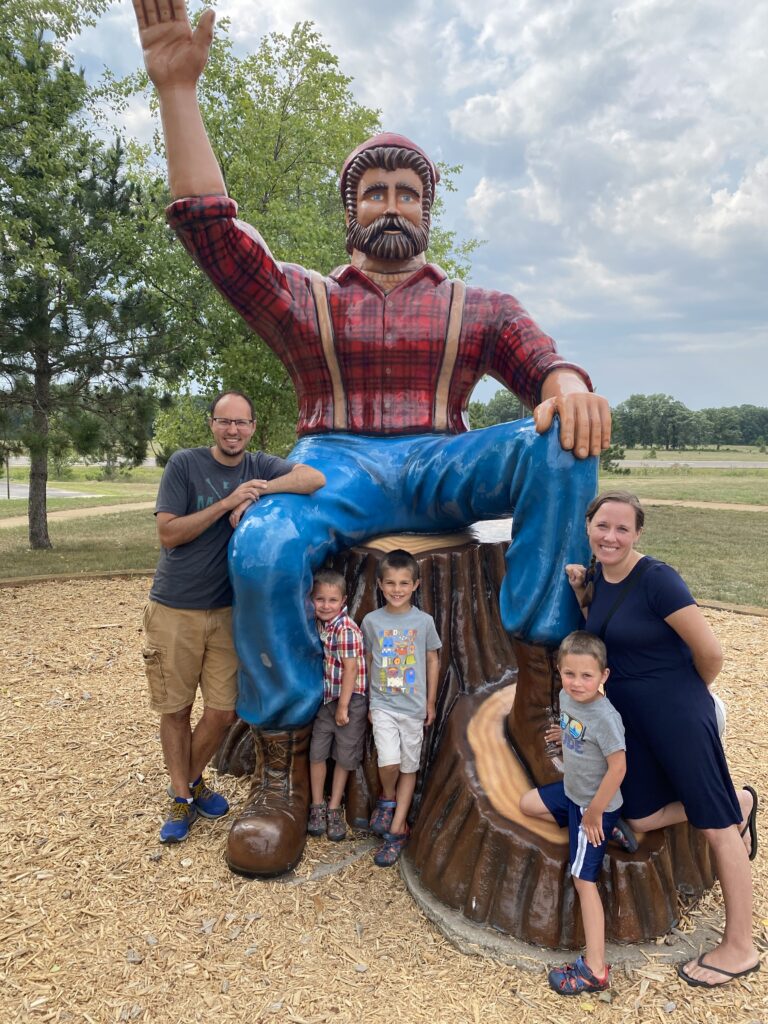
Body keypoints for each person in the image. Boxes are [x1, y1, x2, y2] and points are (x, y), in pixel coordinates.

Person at [132, 0, 613, 877]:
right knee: (267, 540)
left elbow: (546, 365)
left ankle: (539, 694)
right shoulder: (306, 298)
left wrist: (568, 387)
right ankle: (282, 769)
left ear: (427, 209)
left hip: (442, 460)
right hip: (334, 463)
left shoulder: (480, 306)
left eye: (408, 192)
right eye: (375, 191)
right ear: (350, 207)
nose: (392, 204)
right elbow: (217, 240)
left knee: (560, 443)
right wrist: (177, 91)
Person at [565, 491, 760, 989]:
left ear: (638, 534)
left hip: (675, 714)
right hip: (633, 723)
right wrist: (581, 594)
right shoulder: (600, 578)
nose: (611, 536)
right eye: (602, 526)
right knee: (643, 813)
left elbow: (709, 652)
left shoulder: (657, 579)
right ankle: (739, 801)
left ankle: (740, 945)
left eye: (622, 529)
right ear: (588, 526)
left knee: (716, 825)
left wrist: (683, 701)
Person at [142, 390, 325, 844]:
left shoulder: (258, 465)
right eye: (225, 422)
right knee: (177, 709)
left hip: (225, 612)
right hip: (175, 607)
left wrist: (259, 490)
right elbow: (168, 533)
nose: (233, 431)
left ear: (252, 427)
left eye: (241, 423)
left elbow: (313, 477)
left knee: (222, 712)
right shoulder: (185, 465)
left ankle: (186, 782)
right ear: (212, 425)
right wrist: (226, 503)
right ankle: (183, 798)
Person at [520, 632, 626, 995]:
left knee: (584, 880)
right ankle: (608, 827)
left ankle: (595, 969)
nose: (577, 683)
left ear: (604, 677)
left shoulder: (606, 717)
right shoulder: (568, 698)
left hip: (593, 805)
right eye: (570, 674)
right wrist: (563, 732)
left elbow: (618, 768)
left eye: (587, 676)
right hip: (572, 793)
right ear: (559, 671)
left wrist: (595, 814)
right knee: (526, 804)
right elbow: (578, 729)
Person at [362, 550, 442, 867]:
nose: (397, 589)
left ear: (415, 585)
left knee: (410, 766)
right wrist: (369, 700)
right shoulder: (372, 621)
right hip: (382, 704)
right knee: (389, 759)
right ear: (380, 585)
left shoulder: (423, 622)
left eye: (404, 583)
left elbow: (432, 659)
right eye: (391, 583)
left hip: (413, 709)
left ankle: (398, 828)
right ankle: (387, 797)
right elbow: (368, 660)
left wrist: (431, 701)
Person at [307, 570, 368, 843]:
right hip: (328, 699)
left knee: (344, 755)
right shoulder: (321, 624)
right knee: (317, 752)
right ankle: (317, 805)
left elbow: (351, 670)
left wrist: (343, 707)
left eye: (332, 600)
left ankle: (334, 808)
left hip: (349, 700)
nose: (325, 605)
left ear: (343, 601)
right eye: (320, 599)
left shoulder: (345, 629)